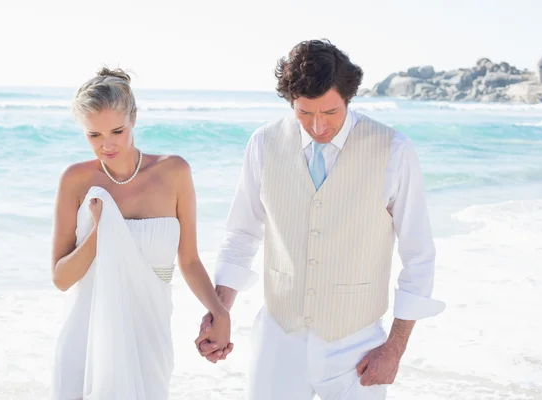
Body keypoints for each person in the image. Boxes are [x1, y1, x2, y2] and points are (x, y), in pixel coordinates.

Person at [196, 39, 446, 399]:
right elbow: (241, 235)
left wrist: (394, 349)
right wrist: (220, 312)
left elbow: (419, 255)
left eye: (330, 112)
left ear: (348, 98)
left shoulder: (394, 149)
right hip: (277, 338)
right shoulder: (263, 144)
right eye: (304, 113)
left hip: (356, 345)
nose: (317, 126)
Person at [50, 67, 230, 399]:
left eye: (116, 131)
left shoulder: (174, 172)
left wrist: (220, 312)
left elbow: (189, 260)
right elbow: (61, 278)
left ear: (133, 117)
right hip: (89, 337)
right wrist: (101, 232)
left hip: (150, 332)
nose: (106, 145)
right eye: (94, 135)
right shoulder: (75, 180)